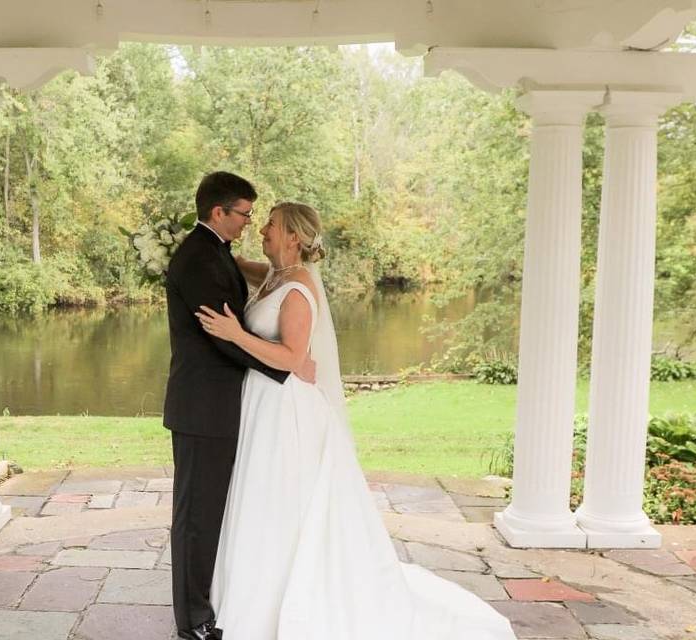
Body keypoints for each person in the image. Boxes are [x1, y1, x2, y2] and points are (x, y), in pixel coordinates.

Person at [195, 202, 516, 639]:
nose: (263, 229)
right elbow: (230, 261)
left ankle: (281, 600)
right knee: (259, 494)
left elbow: (292, 359)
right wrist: (197, 246)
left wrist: (236, 334)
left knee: (279, 497)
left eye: (271, 224)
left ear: (293, 236)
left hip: (285, 410)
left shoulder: (298, 289)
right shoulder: (275, 275)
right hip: (262, 405)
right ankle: (250, 591)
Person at [163, 173, 316, 640]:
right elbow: (220, 335)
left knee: (216, 512)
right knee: (196, 516)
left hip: (226, 407)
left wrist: (287, 360)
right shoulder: (198, 260)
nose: (252, 224)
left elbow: (264, 282)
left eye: (261, 219)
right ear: (218, 213)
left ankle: (212, 599)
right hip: (204, 407)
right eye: (246, 215)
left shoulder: (219, 255)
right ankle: (193, 621)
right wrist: (287, 366)